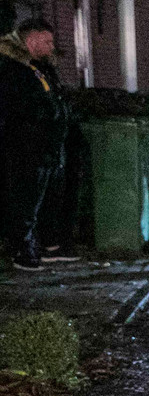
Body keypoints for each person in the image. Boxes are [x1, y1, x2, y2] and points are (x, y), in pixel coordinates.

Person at [0, 19, 67, 270]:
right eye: (47, 41)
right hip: (26, 148)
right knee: (25, 200)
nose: (51, 46)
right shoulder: (13, 69)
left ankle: (34, 247)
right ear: (32, 40)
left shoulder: (35, 67)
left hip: (43, 147)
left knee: (38, 200)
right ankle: (22, 250)